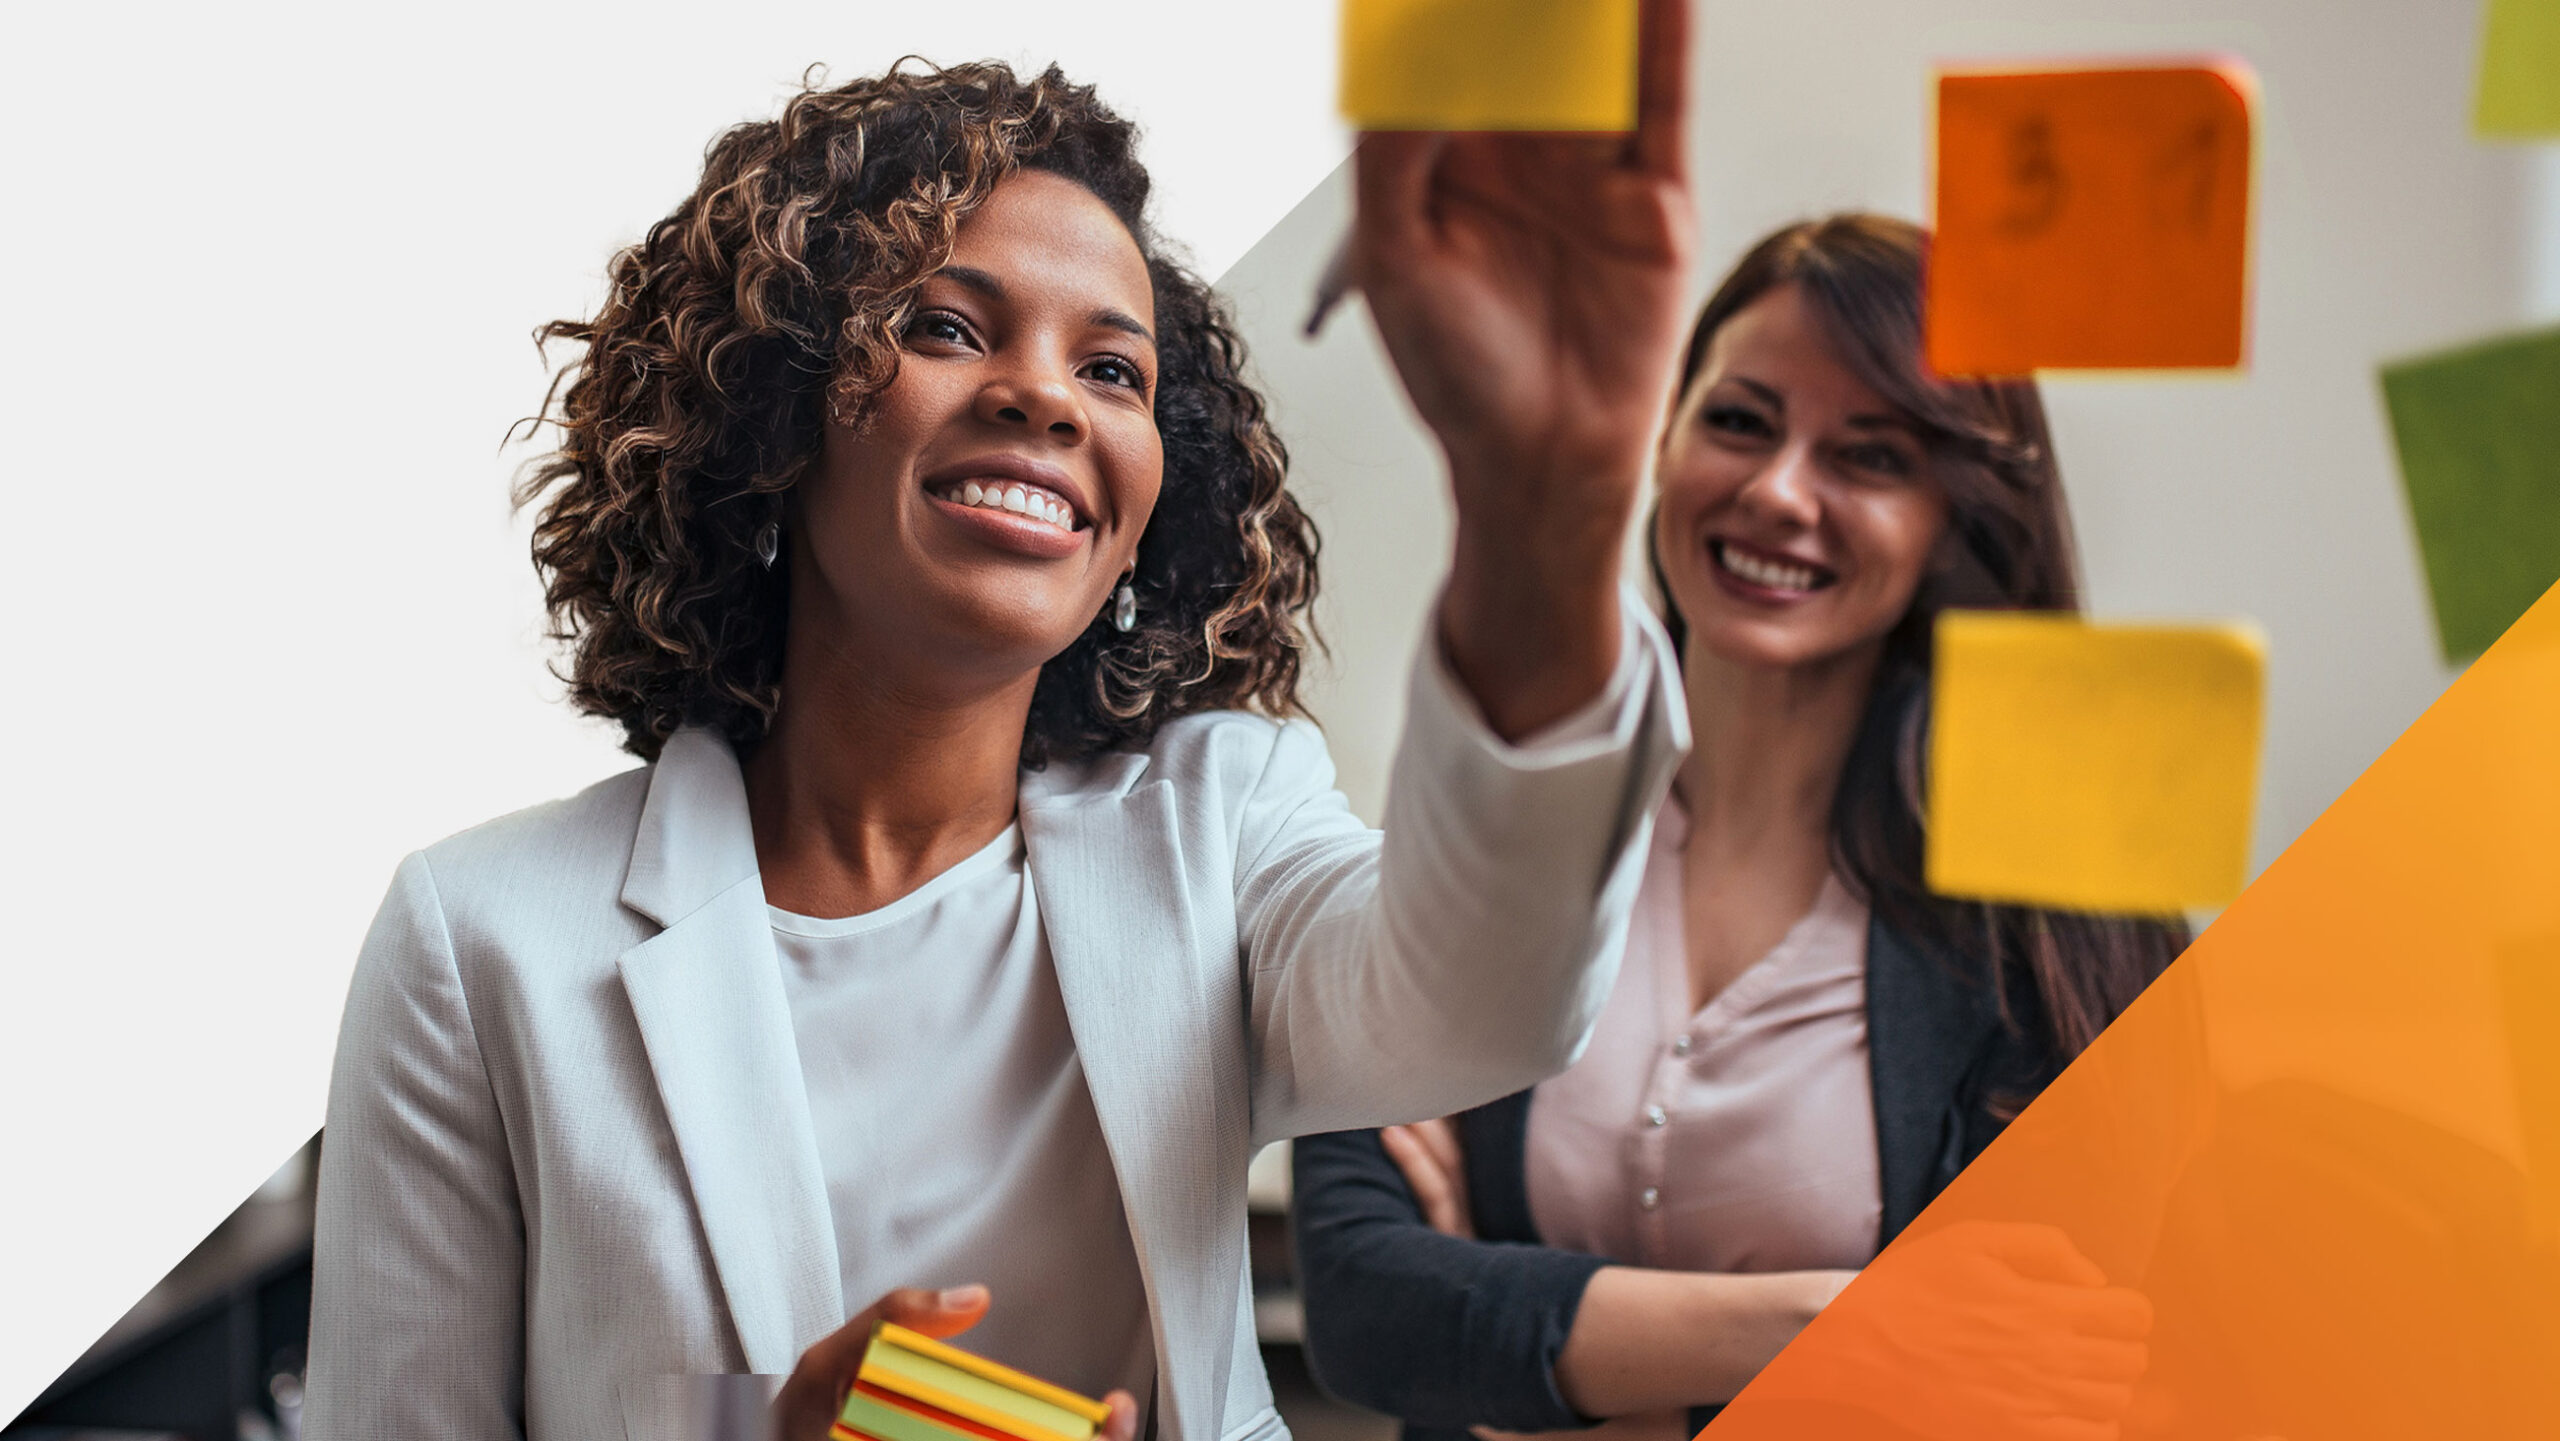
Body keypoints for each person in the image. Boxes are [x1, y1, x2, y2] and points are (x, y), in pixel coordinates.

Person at [303, 9, 1702, 1441]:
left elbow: (1490, 996)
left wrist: (1549, 503)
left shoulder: (1220, 828)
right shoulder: (483, 941)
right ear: (774, 417)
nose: (1042, 391)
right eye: (946, 327)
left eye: (1114, 370)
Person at [1290, 214, 2190, 1441]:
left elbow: (2030, 1377)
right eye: (1740, 421)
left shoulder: (2067, 899)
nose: (1777, 493)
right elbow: (1360, 1301)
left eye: (1868, 458)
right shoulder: (1516, 796)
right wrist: (1843, 1329)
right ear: (1663, 437)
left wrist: (1519, 1354)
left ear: (1954, 519)